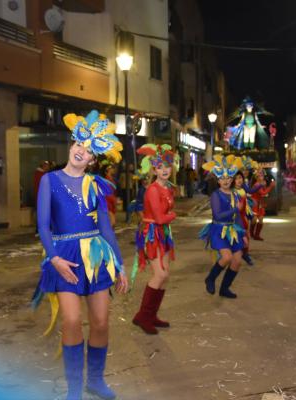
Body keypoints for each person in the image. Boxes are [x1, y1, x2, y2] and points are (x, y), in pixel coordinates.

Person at [30, 110, 128, 400]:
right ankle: (74, 388)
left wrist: (119, 265)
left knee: (100, 322)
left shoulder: (96, 185)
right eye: (78, 145)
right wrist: (54, 258)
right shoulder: (49, 180)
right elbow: (42, 225)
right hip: (65, 255)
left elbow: (107, 228)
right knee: (71, 320)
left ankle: (95, 381)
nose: (80, 152)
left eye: (87, 152)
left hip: (97, 255)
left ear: (93, 160)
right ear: (71, 145)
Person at [131, 144, 177, 335]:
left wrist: (169, 217)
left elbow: (164, 217)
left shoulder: (168, 188)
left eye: (167, 166)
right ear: (154, 169)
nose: (165, 170)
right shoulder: (152, 189)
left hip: (163, 233)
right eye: (160, 167)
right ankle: (143, 316)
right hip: (152, 233)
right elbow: (160, 218)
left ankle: (150, 315)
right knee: (159, 275)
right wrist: (173, 215)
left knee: (165, 276)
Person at [199, 155, 248, 298]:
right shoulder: (215, 195)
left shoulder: (235, 194)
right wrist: (235, 209)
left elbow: (237, 217)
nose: (226, 181)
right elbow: (218, 215)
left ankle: (224, 289)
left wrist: (243, 234)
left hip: (233, 230)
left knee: (237, 261)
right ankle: (210, 278)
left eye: (228, 178)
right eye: (222, 179)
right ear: (218, 181)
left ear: (231, 179)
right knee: (226, 257)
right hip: (219, 230)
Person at [250, 169, 276, 241]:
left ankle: (257, 235)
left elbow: (264, 194)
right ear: (256, 177)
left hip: (260, 203)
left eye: (262, 175)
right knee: (254, 220)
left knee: (261, 220)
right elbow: (263, 193)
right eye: (260, 175)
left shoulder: (261, 183)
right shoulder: (257, 185)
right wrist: (270, 186)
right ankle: (252, 233)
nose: (262, 176)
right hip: (255, 203)